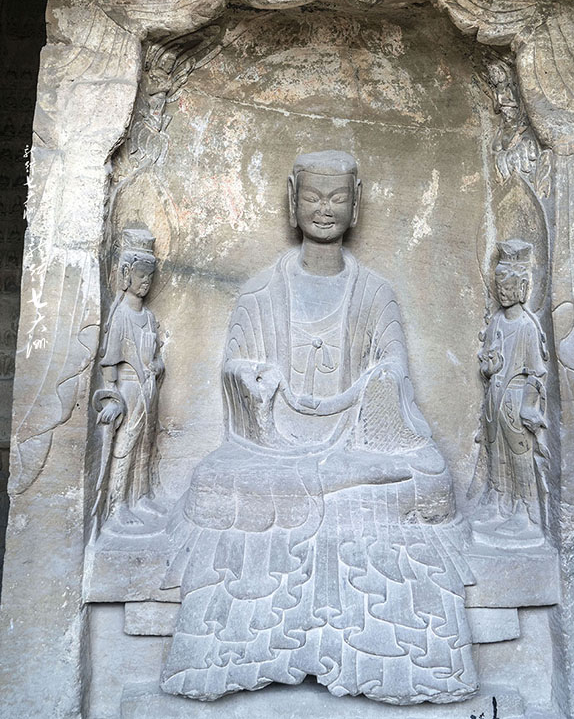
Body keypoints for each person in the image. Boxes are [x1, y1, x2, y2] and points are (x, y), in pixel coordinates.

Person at [160, 151, 477, 705]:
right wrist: (249, 380)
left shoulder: (375, 294)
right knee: (214, 486)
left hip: (355, 441)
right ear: (291, 199)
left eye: (336, 197)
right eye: (312, 196)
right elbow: (235, 364)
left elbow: (394, 376)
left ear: (355, 204)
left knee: (427, 478)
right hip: (273, 445)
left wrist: (374, 387)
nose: (324, 209)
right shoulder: (260, 292)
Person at [470, 239, 549, 540]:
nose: (502, 291)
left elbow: (537, 374)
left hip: (516, 398)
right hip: (494, 397)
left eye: (509, 285)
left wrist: (528, 406)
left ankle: (525, 511)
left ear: (522, 288)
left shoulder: (528, 328)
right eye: (498, 285)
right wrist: (489, 366)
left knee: (519, 454)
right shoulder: (497, 322)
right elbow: (486, 361)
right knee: (495, 451)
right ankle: (498, 500)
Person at [93, 228, 164, 525]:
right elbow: (109, 362)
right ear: (126, 275)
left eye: (150, 275)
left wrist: (156, 365)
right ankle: (118, 503)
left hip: (148, 388)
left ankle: (141, 496)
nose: (145, 281)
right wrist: (112, 396)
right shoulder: (121, 316)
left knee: (147, 443)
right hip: (129, 389)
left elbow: (157, 360)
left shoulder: (148, 317)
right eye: (140, 274)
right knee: (126, 444)